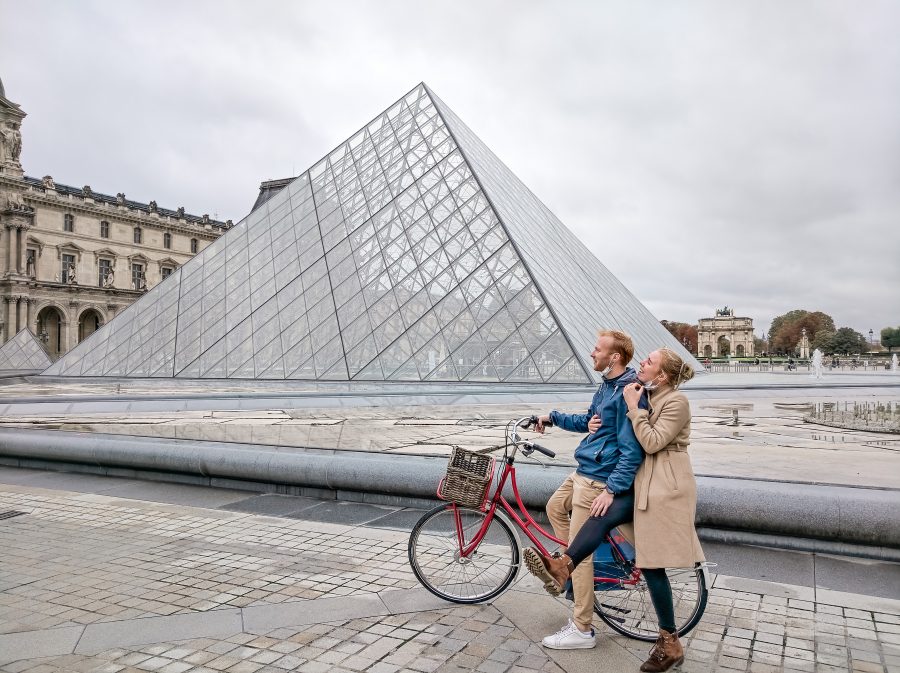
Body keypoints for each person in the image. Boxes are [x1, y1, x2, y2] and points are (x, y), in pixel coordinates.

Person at [525, 347, 704, 672]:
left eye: (649, 362)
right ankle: (565, 566)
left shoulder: (677, 401)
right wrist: (594, 423)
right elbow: (614, 427)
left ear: (662, 376)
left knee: (652, 566)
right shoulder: (643, 392)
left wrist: (633, 408)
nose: (642, 364)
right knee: (600, 514)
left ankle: (670, 642)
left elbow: (651, 442)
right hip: (642, 483)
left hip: (665, 487)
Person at [526, 330, 644, 650]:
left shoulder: (626, 393)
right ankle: (566, 570)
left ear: (615, 356)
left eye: (597, 349)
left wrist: (612, 489)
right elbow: (586, 421)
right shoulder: (607, 387)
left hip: (597, 479)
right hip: (584, 470)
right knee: (554, 506)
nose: (592, 353)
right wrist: (550, 417)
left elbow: (631, 450)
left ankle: (582, 626)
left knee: (580, 554)